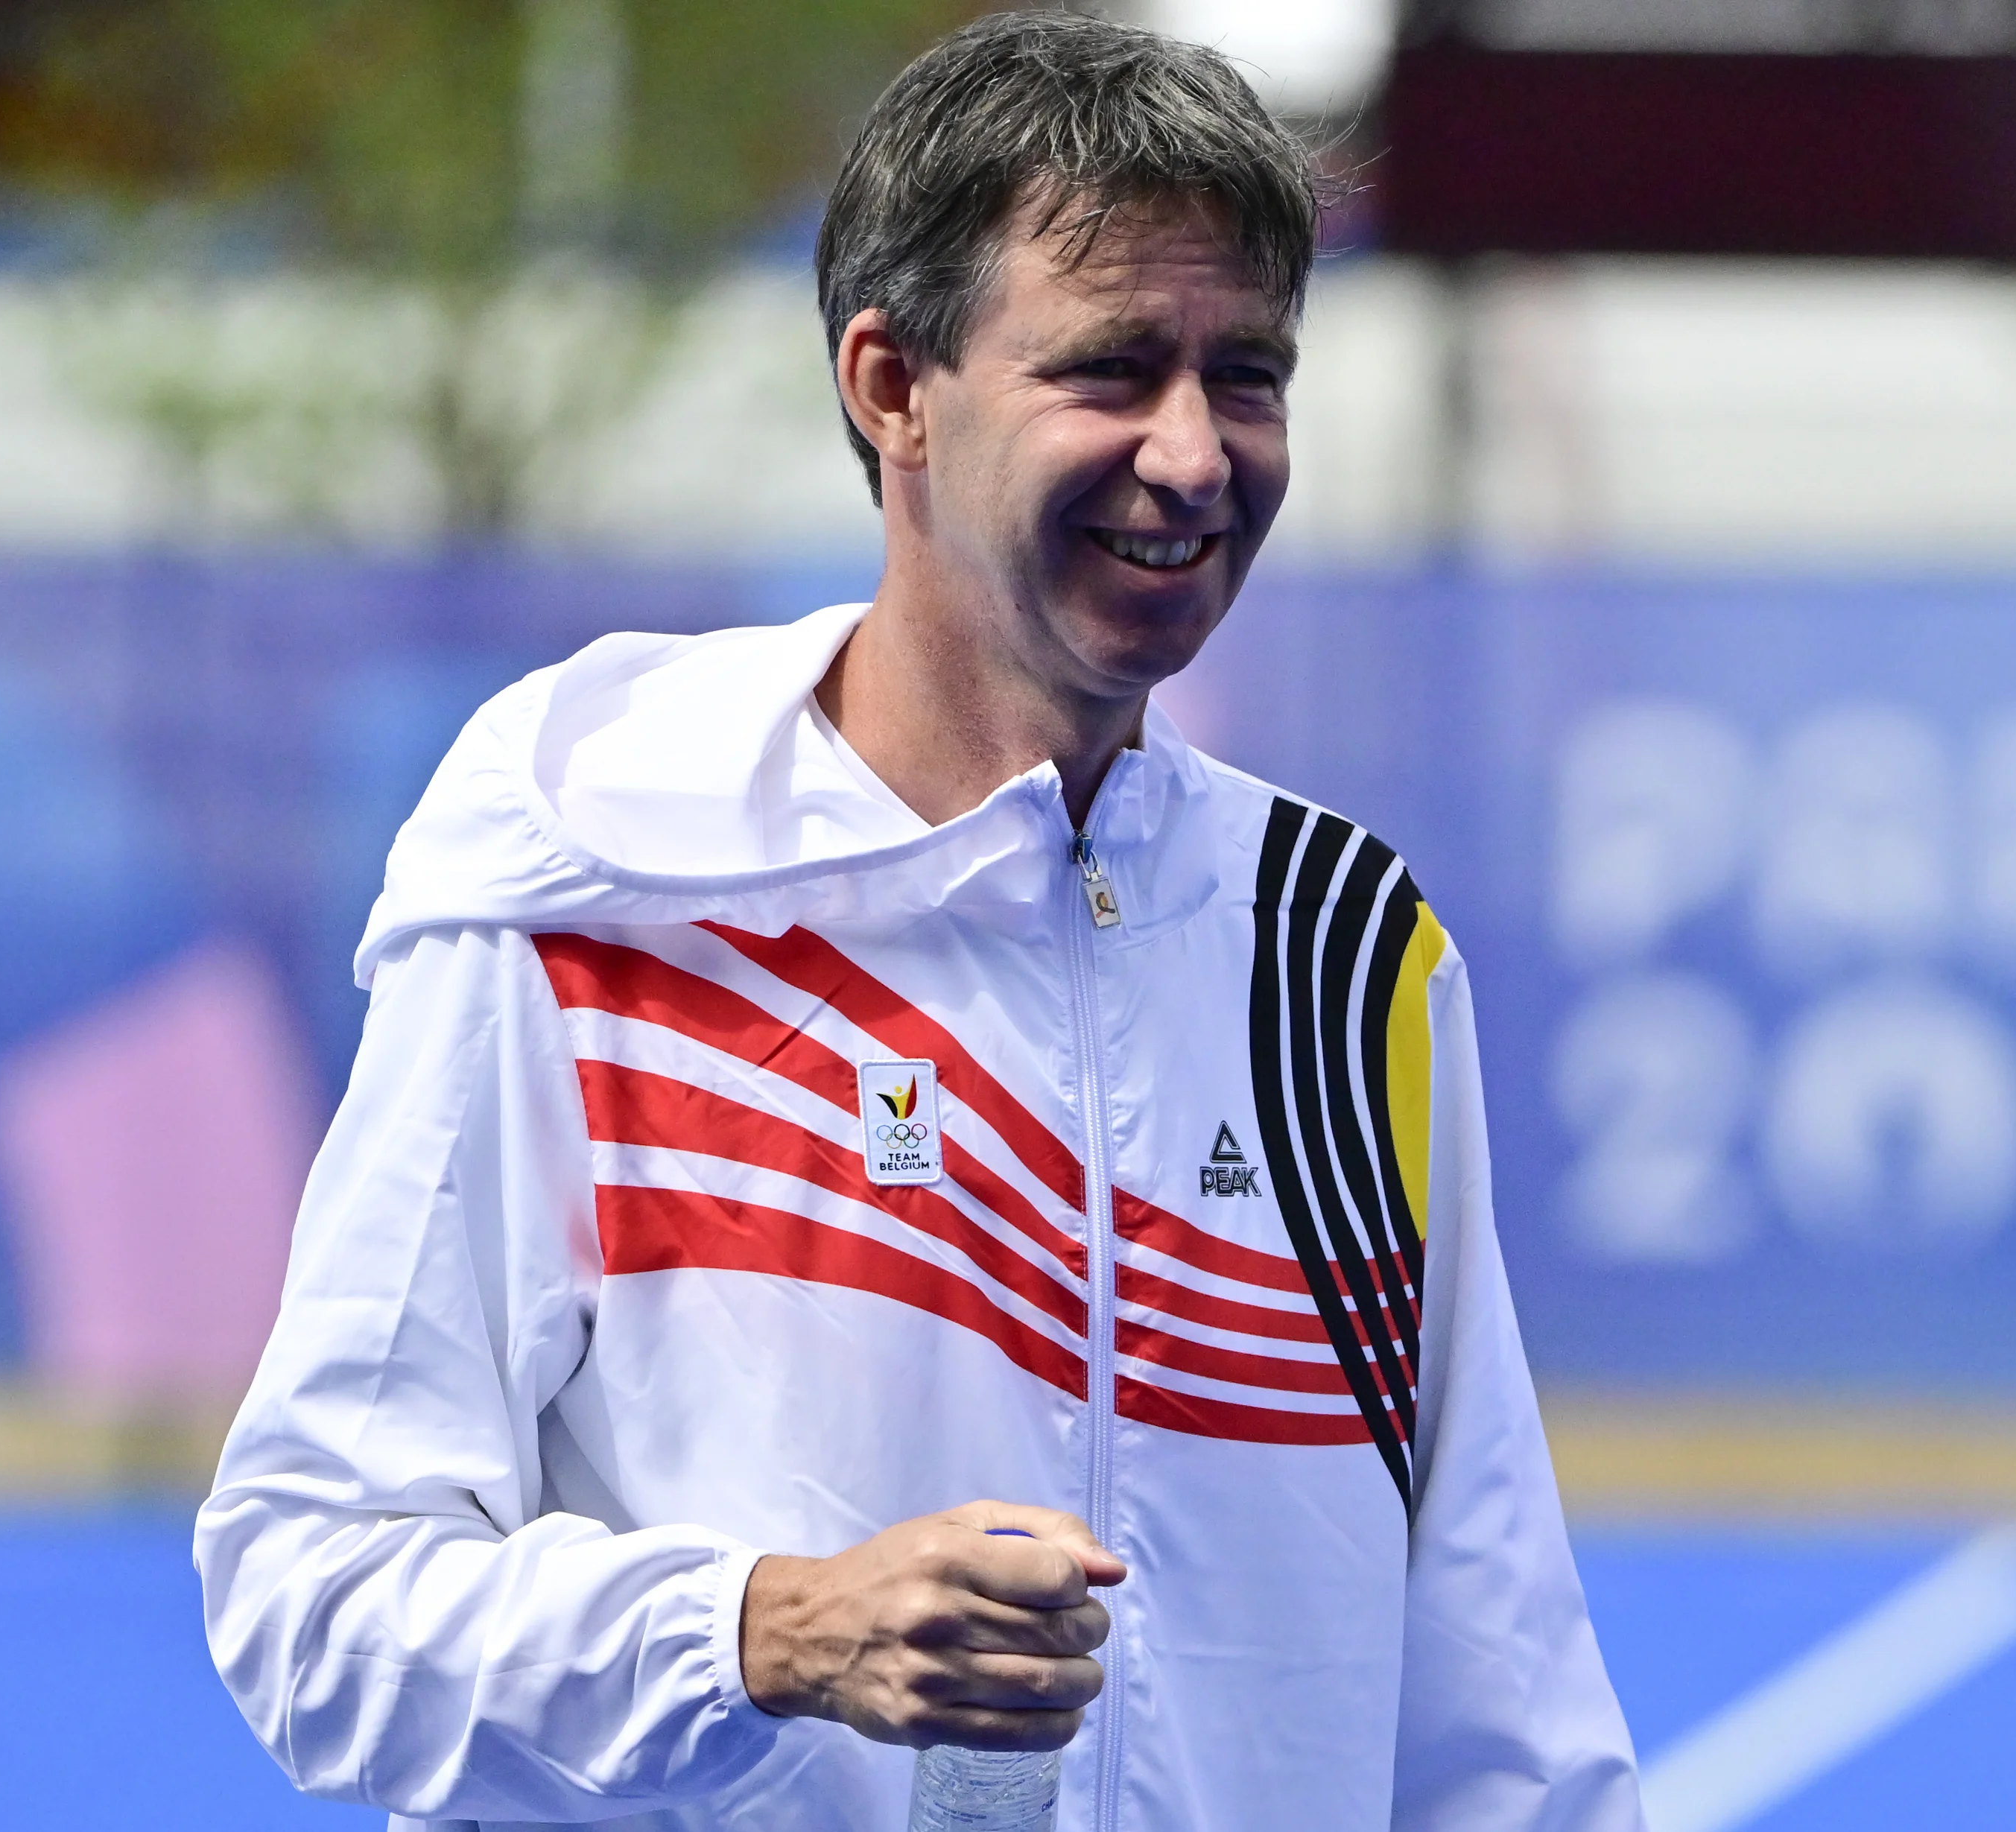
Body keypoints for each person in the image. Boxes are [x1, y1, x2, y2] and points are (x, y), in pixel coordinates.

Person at [196, 13, 1644, 1831]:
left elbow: (1494, 1709)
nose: (1194, 456)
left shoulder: (1342, 959)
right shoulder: (598, 897)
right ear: (892, 386)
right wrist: (762, 1630)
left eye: (1248, 374)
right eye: (1113, 368)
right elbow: (313, 1598)